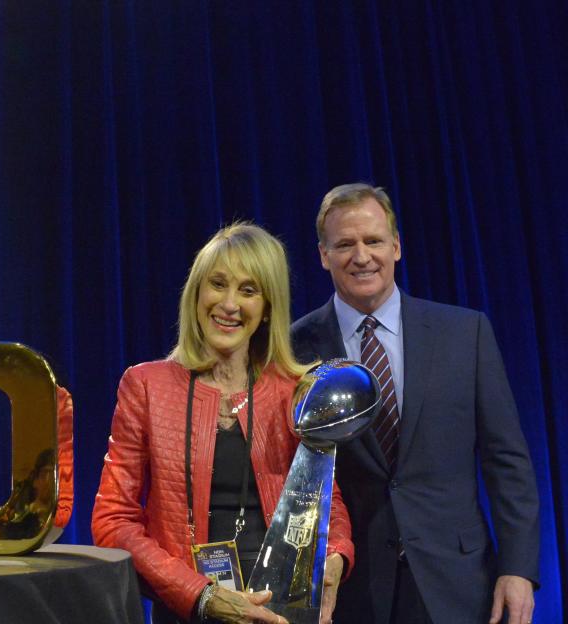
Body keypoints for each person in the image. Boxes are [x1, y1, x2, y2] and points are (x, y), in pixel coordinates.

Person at [291, 183, 539, 624]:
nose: (362, 256)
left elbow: (508, 463)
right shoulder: (294, 350)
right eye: (345, 244)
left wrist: (518, 569)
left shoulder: (466, 334)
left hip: (459, 581)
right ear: (323, 255)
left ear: (397, 246)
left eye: (374, 240)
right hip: (351, 590)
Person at [92, 223, 354, 624]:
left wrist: (334, 557)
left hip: (280, 608)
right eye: (218, 284)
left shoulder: (293, 391)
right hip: (187, 606)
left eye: (248, 291)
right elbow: (113, 521)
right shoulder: (145, 386)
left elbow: (326, 503)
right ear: (197, 293)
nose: (229, 304)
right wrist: (200, 594)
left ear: (267, 308)